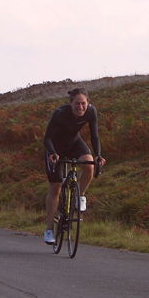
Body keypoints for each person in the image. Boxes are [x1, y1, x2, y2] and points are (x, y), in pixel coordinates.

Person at [42, 88, 105, 244]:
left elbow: (95, 136)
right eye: (77, 103)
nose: (81, 107)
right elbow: (47, 138)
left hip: (74, 143)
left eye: (83, 103)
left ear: (88, 103)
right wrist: (53, 153)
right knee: (56, 187)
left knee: (89, 166)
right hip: (55, 148)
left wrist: (98, 156)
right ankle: (49, 229)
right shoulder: (60, 113)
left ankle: (79, 196)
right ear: (70, 103)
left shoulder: (91, 112)